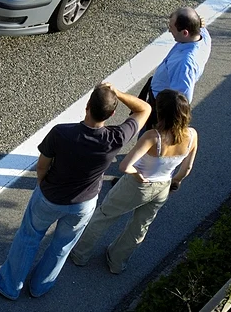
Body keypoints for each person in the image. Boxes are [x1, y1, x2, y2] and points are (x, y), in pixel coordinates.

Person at [0, 83, 151, 300]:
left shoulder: (62, 132)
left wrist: (42, 184)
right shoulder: (116, 137)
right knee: (62, 245)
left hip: (50, 197)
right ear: (113, 113)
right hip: (83, 204)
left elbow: (42, 165)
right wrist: (116, 93)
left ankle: (9, 286)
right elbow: (145, 109)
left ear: (87, 106)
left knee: (28, 238)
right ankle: (40, 287)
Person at [69, 89, 198, 273]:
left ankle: (80, 255)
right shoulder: (192, 135)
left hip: (139, 185)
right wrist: (174, 182)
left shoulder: (153, 137)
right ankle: (116, 262)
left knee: (105, 215)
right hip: (163, 186)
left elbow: (125, 166)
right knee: (140, 227)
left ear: (160, 112)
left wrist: (138, 176)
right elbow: (187, 168)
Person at [141, 7, 211, 131]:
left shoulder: (185, 64)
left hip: (160, 110)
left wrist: (164, 125)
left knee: (147, 141)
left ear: (185, 33)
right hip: (158, 98)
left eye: (172, 28)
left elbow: (181, 100)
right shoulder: (202, 35)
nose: (169, 30)